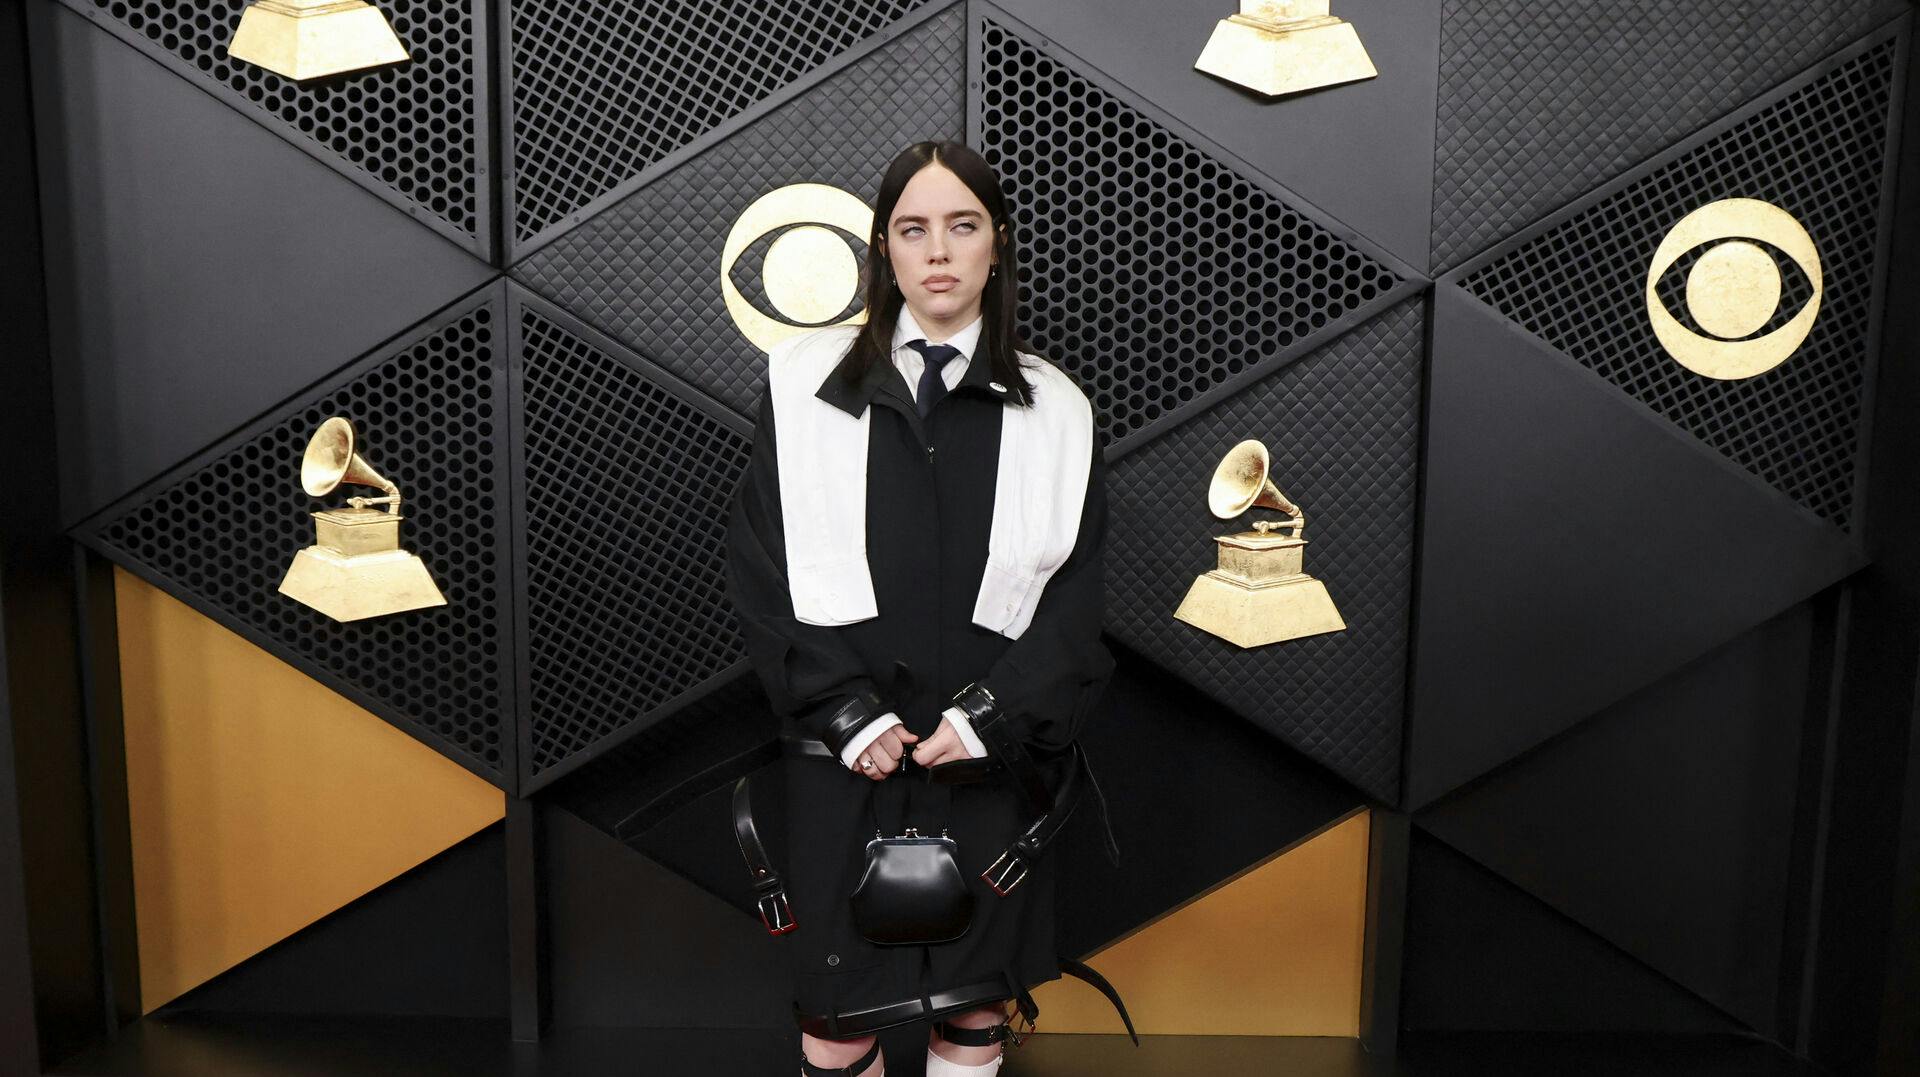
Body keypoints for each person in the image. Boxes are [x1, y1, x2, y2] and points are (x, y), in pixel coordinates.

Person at [724, 139, 1124, 1077]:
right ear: (885, 250)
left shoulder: (1059, 410)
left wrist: (988, 717)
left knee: (974, 1018)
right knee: (837, 1023)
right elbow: (760, 561)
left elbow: (1076, 603)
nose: (937, 250)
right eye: (914, 229)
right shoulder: (800, 384)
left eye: (962, 226)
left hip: (987, 766)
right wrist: (845, 710)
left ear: (997, 246)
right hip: (842, 760)